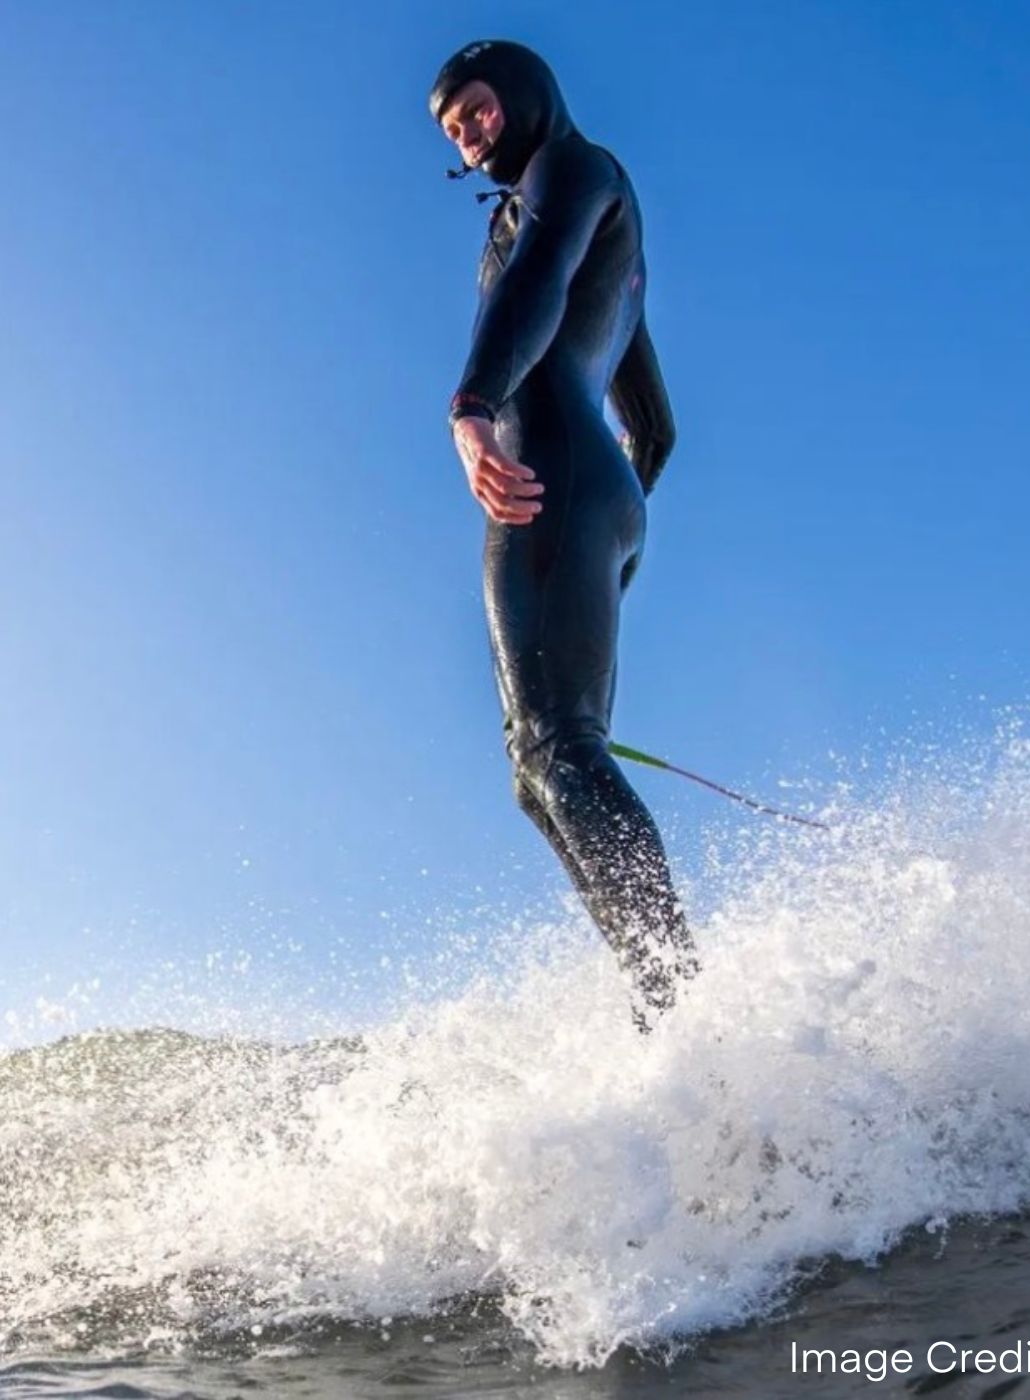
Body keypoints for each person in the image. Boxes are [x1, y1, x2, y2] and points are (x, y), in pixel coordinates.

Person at [428, 39, 701, 1033]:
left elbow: (533, 285)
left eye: (477, 109)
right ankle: (660, 999)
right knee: (539, 773)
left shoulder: (569, 172)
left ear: (526, 94)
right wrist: (613, 516)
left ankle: (681, 1004)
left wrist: (472, 408)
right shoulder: (603, 218)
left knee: (555, 750)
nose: (467, 135)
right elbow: (655, 425)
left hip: (552, 480)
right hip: (593, 492)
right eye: (452, 129)